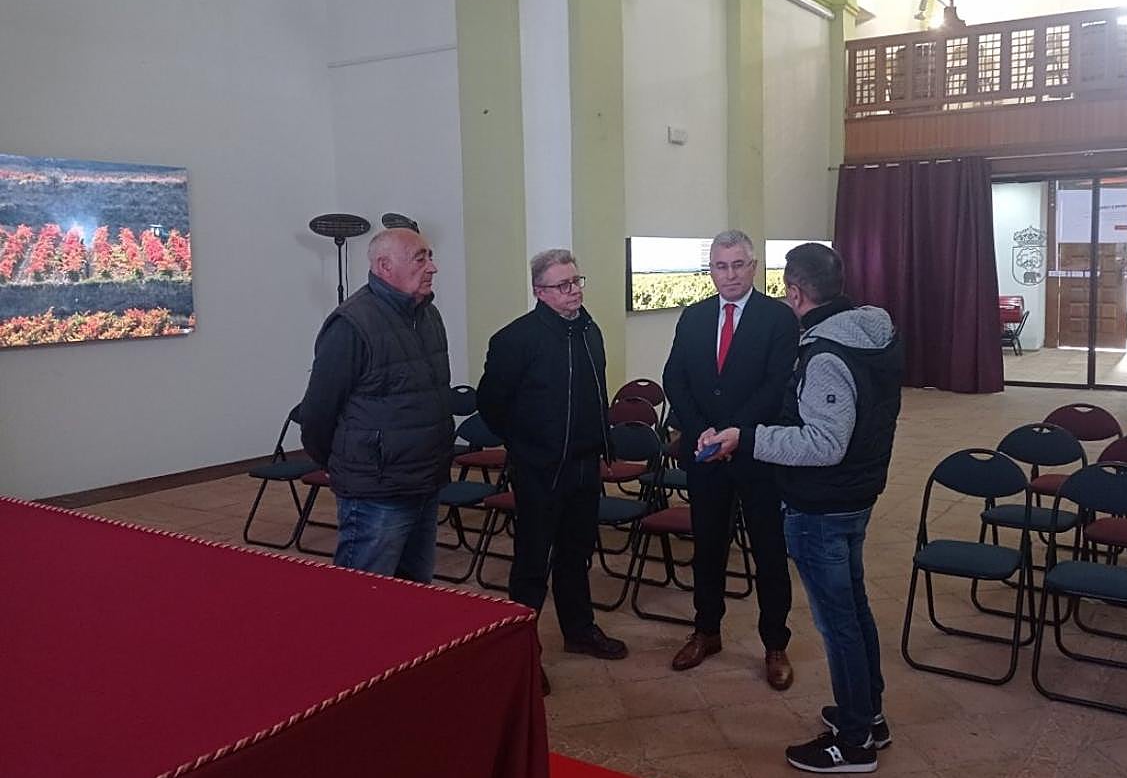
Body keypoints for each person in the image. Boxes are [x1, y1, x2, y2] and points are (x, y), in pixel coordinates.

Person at [701, 242, 903, 775]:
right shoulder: (870, 334)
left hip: (825, 503)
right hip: (854, 495)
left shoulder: (829, 355)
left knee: (839, 623)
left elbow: (823, 443)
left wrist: (747, 437)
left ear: (794, 291)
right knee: (854, 611)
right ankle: (869, 715)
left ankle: (855, 742)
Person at [476, 249, 628, 696]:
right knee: (532, 561)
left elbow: (596, 391)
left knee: (576, 554)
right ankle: (524, 650)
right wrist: (526, 444)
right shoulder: (515, 339)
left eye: (577, 280)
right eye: (563, 285)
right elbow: (492, 404)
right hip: (540, 468)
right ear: (540, 292)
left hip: (585, 464)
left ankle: (579, 630)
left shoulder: (588, 330)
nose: (574, 290)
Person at [662, 230, 799, 690]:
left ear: (753, 266)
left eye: (738, 265)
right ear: (711, 270)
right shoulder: (695, 317)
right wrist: (700, 427)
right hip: (705, 454)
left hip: (757, 453)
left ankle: (775, 643)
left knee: (768, 553)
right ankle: (706, 631)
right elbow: (675, 378)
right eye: (721, 266)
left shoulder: (778, 319)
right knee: (708, 549)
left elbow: (778, 385)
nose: (730, 275)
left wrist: (734, 433)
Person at [299, 226, 453, 583]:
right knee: (364, 595)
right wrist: (352, 466)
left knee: (415, 590)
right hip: (377, 489)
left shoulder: (427, 315)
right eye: (420, 258)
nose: (432, 267)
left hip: (425, 479)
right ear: (384, 266)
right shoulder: (352, 324)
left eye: (430, 256)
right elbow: (318, 413)